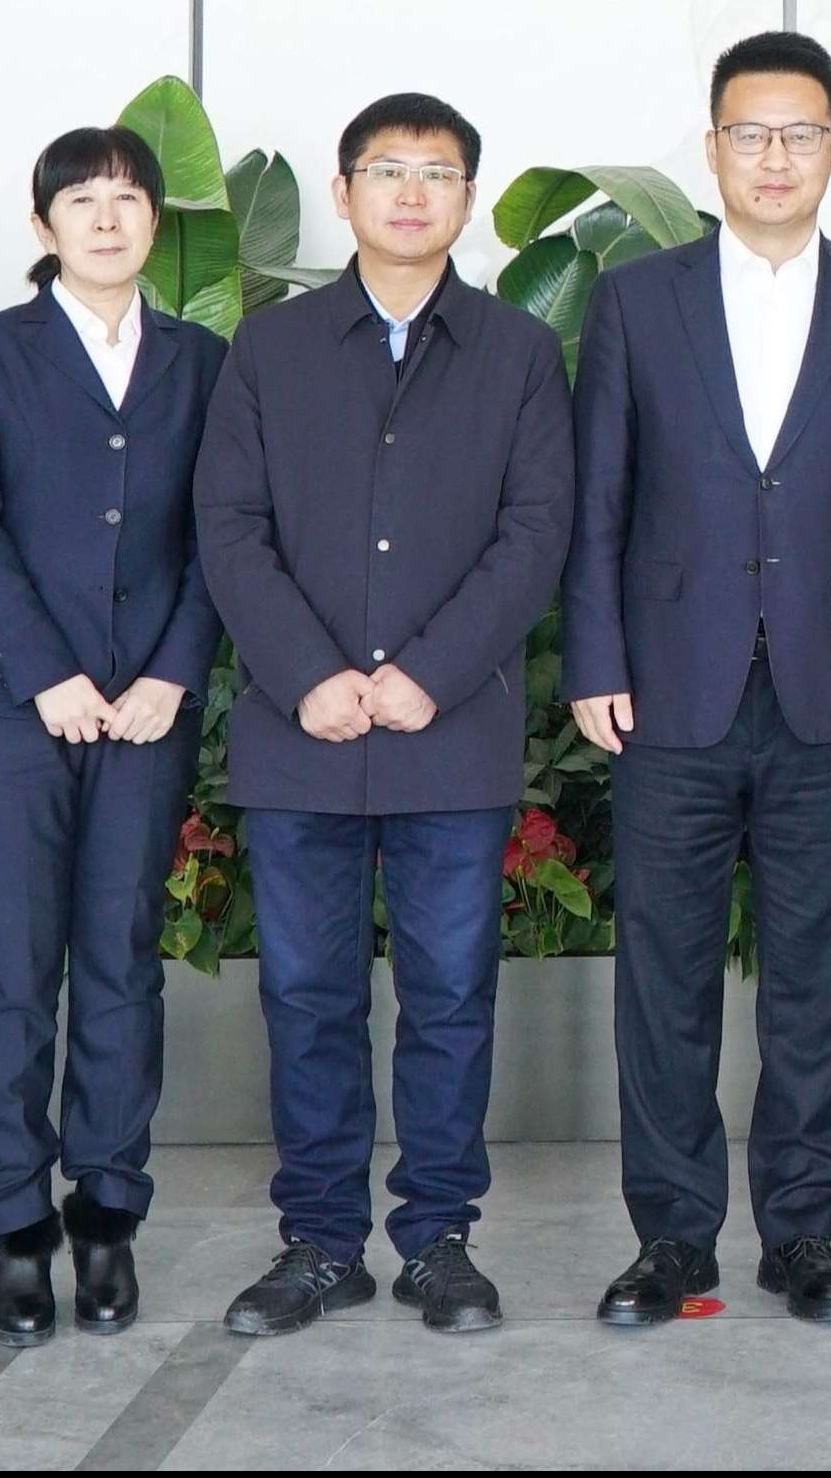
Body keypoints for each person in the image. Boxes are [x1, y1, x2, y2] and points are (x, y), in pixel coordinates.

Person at [564, 32, 831, 1328]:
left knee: (818, 979)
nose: (774, 156)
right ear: (712, 145)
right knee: (662, 977)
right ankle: (672, 1238)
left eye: (799, 133)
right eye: (749, 132)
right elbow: (599, 497)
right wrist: (595, 656)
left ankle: (805, 1234)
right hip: (669, 688)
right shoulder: (638, 298)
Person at [194, 92, 574, 1338]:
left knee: (449, 996)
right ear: (344, 191)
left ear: (469, 198)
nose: (412, 193)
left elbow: (535, 534)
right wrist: (307, 672)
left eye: (438, 173)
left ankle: (439, 1239)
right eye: (387, 170)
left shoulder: (518, 352)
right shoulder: (271, 349)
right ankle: (318, 1242)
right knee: (308, 997)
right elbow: (229, 526)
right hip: (298, 732)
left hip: (449, 733)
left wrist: (432, 671)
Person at [0, 126, 228, 1349]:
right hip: (8, 706)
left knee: (120, 954)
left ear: (156, 221)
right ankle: (16, 1226)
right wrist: (46, 673)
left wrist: (172, 671)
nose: (107, 218)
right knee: (14, 964)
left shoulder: (203, 361)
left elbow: (225, 529)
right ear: (43, 226)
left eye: (127, 198)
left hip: (147, 708)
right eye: (82, 200)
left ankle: (107, 1213)